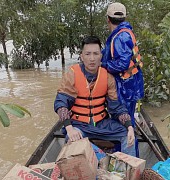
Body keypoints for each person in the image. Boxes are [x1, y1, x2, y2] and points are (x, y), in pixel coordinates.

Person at [54, 36, 136, 156]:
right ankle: (100, 158)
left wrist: (129, 127)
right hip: (79, 125)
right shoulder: (72, 74)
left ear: (101, 56)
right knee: (72, 139)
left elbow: (116, 107)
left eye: (96, 54)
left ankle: (126, 171)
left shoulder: (108, 77)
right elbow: (61, 103)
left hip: (101, 123)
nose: (92, 58)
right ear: (82, 56)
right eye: (88, 54)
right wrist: (69, 128)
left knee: (126, 134)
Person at [101, 2, 144, 157]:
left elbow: (122, 63)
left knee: (125, 124)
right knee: (126, 122)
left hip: (125, 87)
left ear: (108, 19)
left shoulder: (120, 36)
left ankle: (128, 157)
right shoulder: (124, 33)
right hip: (130, 85)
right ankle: (123, 153)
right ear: (124, 17)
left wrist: (103, 64)